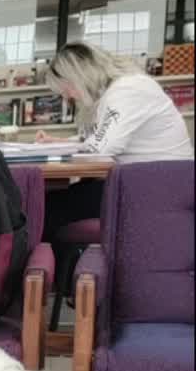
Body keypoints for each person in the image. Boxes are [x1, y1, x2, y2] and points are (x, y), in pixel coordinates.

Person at [36, 41, 194, 243]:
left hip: (155, 190)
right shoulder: (122, 88)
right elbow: (98, 137)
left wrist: (65, 147)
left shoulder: (126, 91)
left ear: (79, 77)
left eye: (66, 89)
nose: (67, 97)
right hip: (154, 183)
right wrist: (58, 142)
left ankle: (54, 270)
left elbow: (100, 150)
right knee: (55, 201)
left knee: (45, 210)